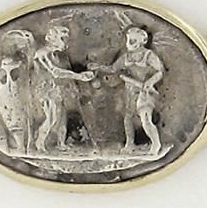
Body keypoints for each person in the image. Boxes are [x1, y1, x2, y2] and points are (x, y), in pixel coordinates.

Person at [93, 26, 164, 154]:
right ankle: (130, 143)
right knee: (128, 118)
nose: (128, 44)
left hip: (145, 92)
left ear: (142, 41)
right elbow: (113, 69)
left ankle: (156, 144)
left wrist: (149, 83)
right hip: (130, 92)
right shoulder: (126, 57)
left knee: (145, 118)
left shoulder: (148, 55)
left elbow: (159, 72)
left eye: (132, 41)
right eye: (128, 40)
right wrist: (98, 67)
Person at [32, 24, 95, 153]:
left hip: (57, 89)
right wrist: (79, 76)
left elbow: (62, 73)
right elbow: (55, 72)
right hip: (46, 90)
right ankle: (39, 143)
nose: (66, 42)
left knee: (62, 117)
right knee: (52, 117)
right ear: (53, 38)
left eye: (67, 39)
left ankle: (61, 143)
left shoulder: (57, 55)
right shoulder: (42, 53)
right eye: (63, 38)